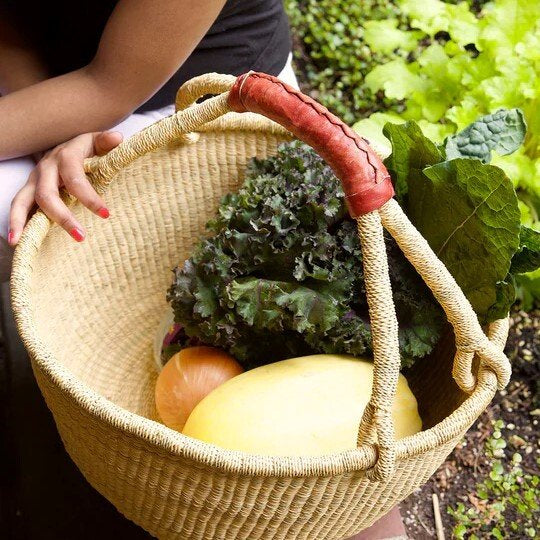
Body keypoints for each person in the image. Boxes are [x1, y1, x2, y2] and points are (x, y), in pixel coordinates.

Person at [0, 0, 298, 280]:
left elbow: (107, 89)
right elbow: (13, 25)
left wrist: (66, 128)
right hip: (65, 67)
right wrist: (54, 130)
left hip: (185, 94)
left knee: (15, 214)